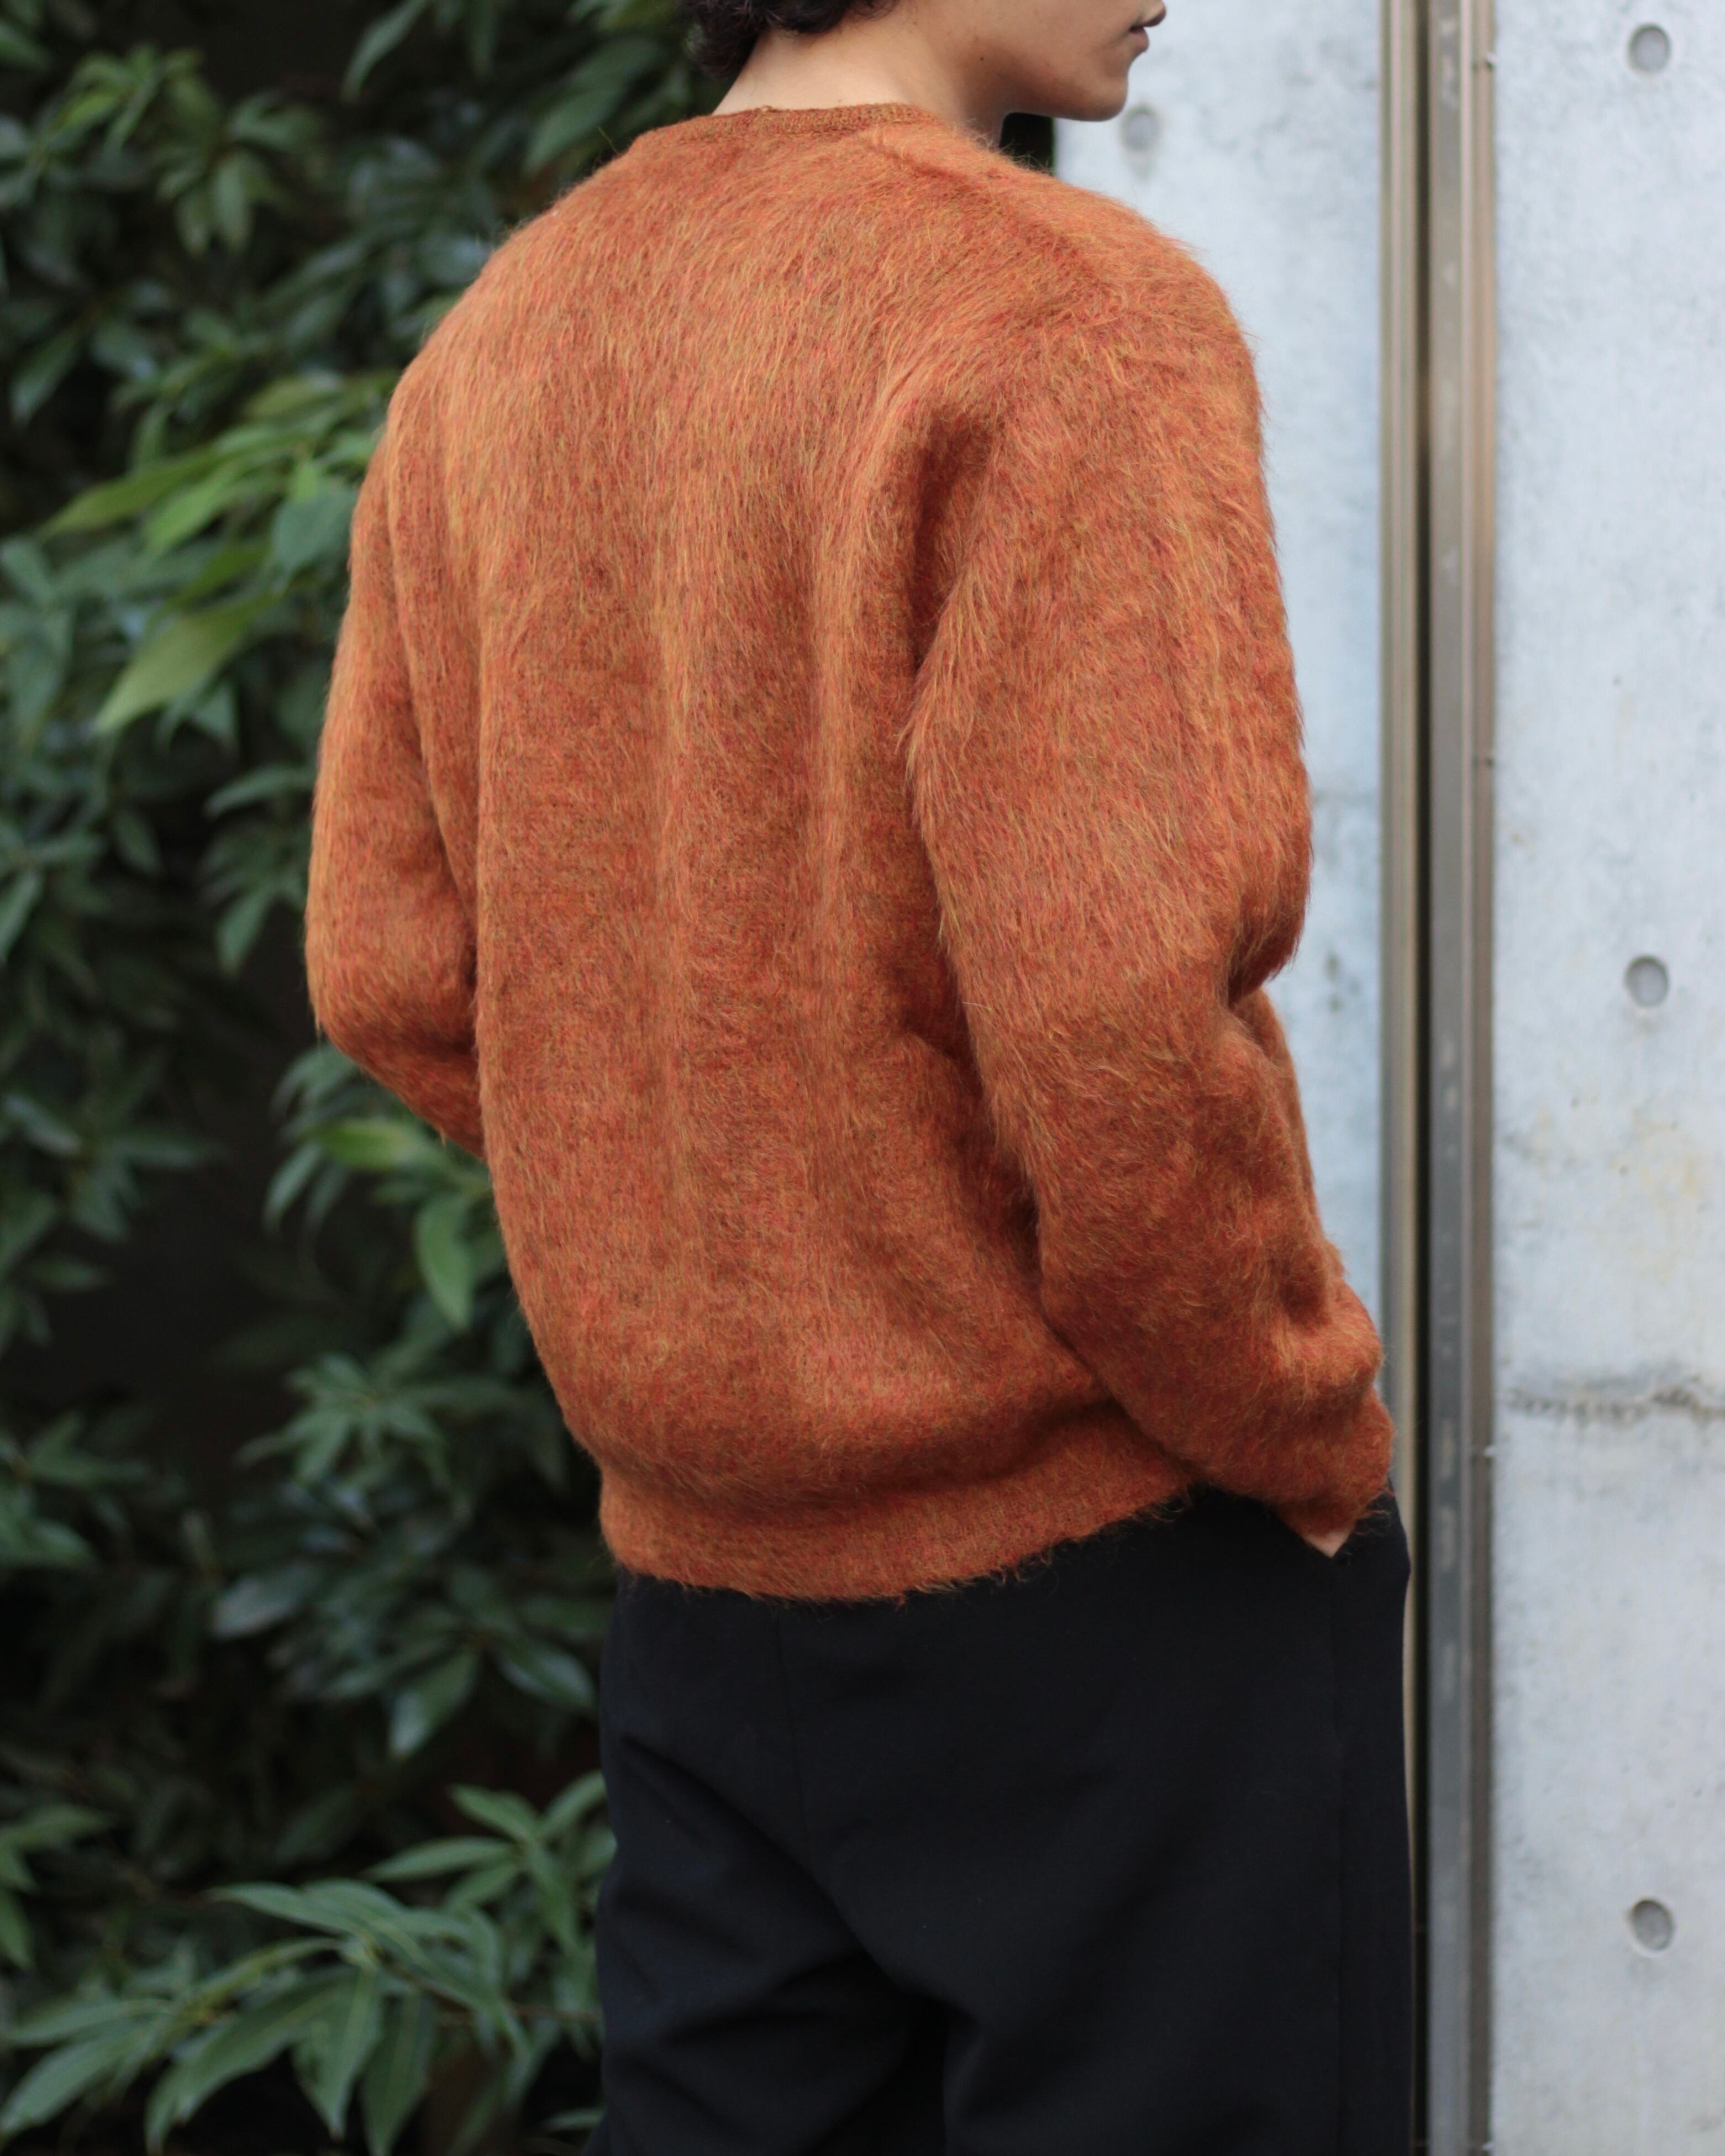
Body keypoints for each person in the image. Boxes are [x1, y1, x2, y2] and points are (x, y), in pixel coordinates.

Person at [304, 0, 1413, 2144]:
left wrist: (733, 1232)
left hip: (708, 1601)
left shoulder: (507, 334)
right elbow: (1111, 1028)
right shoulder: (1059, 312)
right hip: (1108, 1578)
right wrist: (1299, 1428)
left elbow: (390, 967)